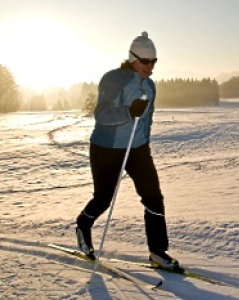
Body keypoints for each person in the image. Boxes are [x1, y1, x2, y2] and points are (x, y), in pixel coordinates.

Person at [76, 31, 179, 269]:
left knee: (153, 197)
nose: (150, 66)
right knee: (103, 198)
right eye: (145, 61)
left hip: (137, 148)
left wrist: (145, 144)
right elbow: (101, 115)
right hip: (106, 147)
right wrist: (127, 111)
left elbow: (147, 119)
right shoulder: (114, 79)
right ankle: (83, 224)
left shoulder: (150, 86)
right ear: (132, 58)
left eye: (154, 61)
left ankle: (157, 251)